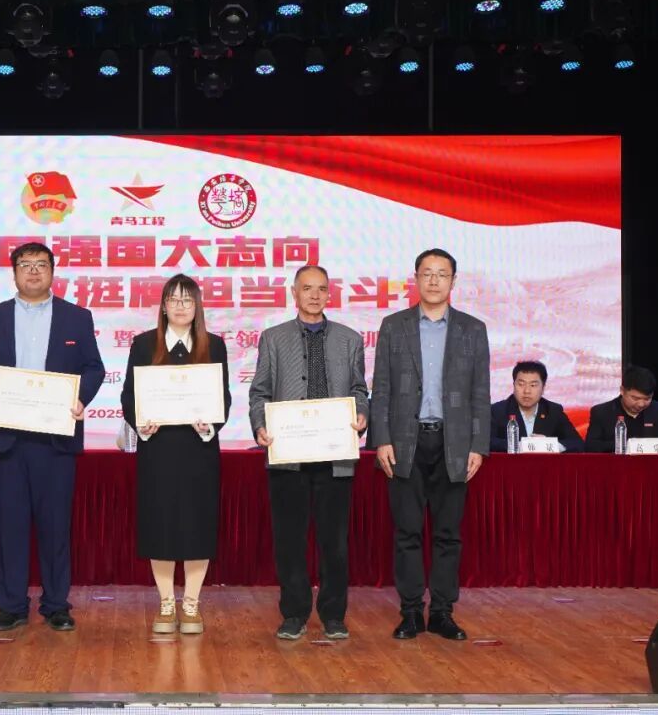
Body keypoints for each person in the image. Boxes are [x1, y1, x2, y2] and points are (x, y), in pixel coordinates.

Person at [0, 242, 105, 633]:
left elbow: (94, 368)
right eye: (25, 264)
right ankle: (11, 605)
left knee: (56, 526)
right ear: (14, 273)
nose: (34, 271)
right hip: (8, 439)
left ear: (53, 271)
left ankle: (56, 604)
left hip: (56, 439)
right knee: (10, 525)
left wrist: (80, 399)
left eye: (42, 264)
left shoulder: (77, 317)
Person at [371, 248, 490, 641]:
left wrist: (478, 445)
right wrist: (382, 439)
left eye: (442, 274)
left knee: (447, 534)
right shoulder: (394, 326)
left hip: (453, 444)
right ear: (416, 279)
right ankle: (410, 612)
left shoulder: (473, 329)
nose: (434, 280)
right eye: (427, 273)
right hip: (405, 443)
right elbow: (381, 389)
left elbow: (480, 393)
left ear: (453, 281)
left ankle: (441, 612)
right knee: (407, 532)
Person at [248, 265, 369, 641]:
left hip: (336, 455)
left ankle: (333, 614)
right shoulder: (273, 338)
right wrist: (260, 425)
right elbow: (260, 392)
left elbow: (359, 390)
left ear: (329, 294)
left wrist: (362, 414)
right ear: (294, 293)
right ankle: (294, 613)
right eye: (307, 288)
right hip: (289, 455)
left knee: (335, 542)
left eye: (321, 289)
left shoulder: (350, 340)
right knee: (289, 540)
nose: (314, 295)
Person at [120, 274, 231, 636]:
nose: (181, 306)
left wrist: (210, 423)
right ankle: (166, 603)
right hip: (159, 450)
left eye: (187, 300)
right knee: (161, 525)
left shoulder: (214, 345)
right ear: (163, 306)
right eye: (174, 299)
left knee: (198, 525)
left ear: (197, 306)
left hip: (199, 450)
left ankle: (192, 604)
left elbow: (224, 397)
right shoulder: (143, 344)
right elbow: (129, 396)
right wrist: (142, 423)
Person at [489, 361, 583, 452]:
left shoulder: (553, 411)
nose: (527, 391)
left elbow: (578, 443)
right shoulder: (497, 411)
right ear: (514, 385)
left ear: (543, 388)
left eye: (533, 385)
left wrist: (549, 445)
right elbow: (488, 442)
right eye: (521, 384)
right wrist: (521, 446)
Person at [585, 366, 658, 452]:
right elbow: (591, 446)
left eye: (647, 399)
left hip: (650, 464)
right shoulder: (602, 412)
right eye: (635, 398)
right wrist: (629, 446)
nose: (641, 404)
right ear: (622, 391)